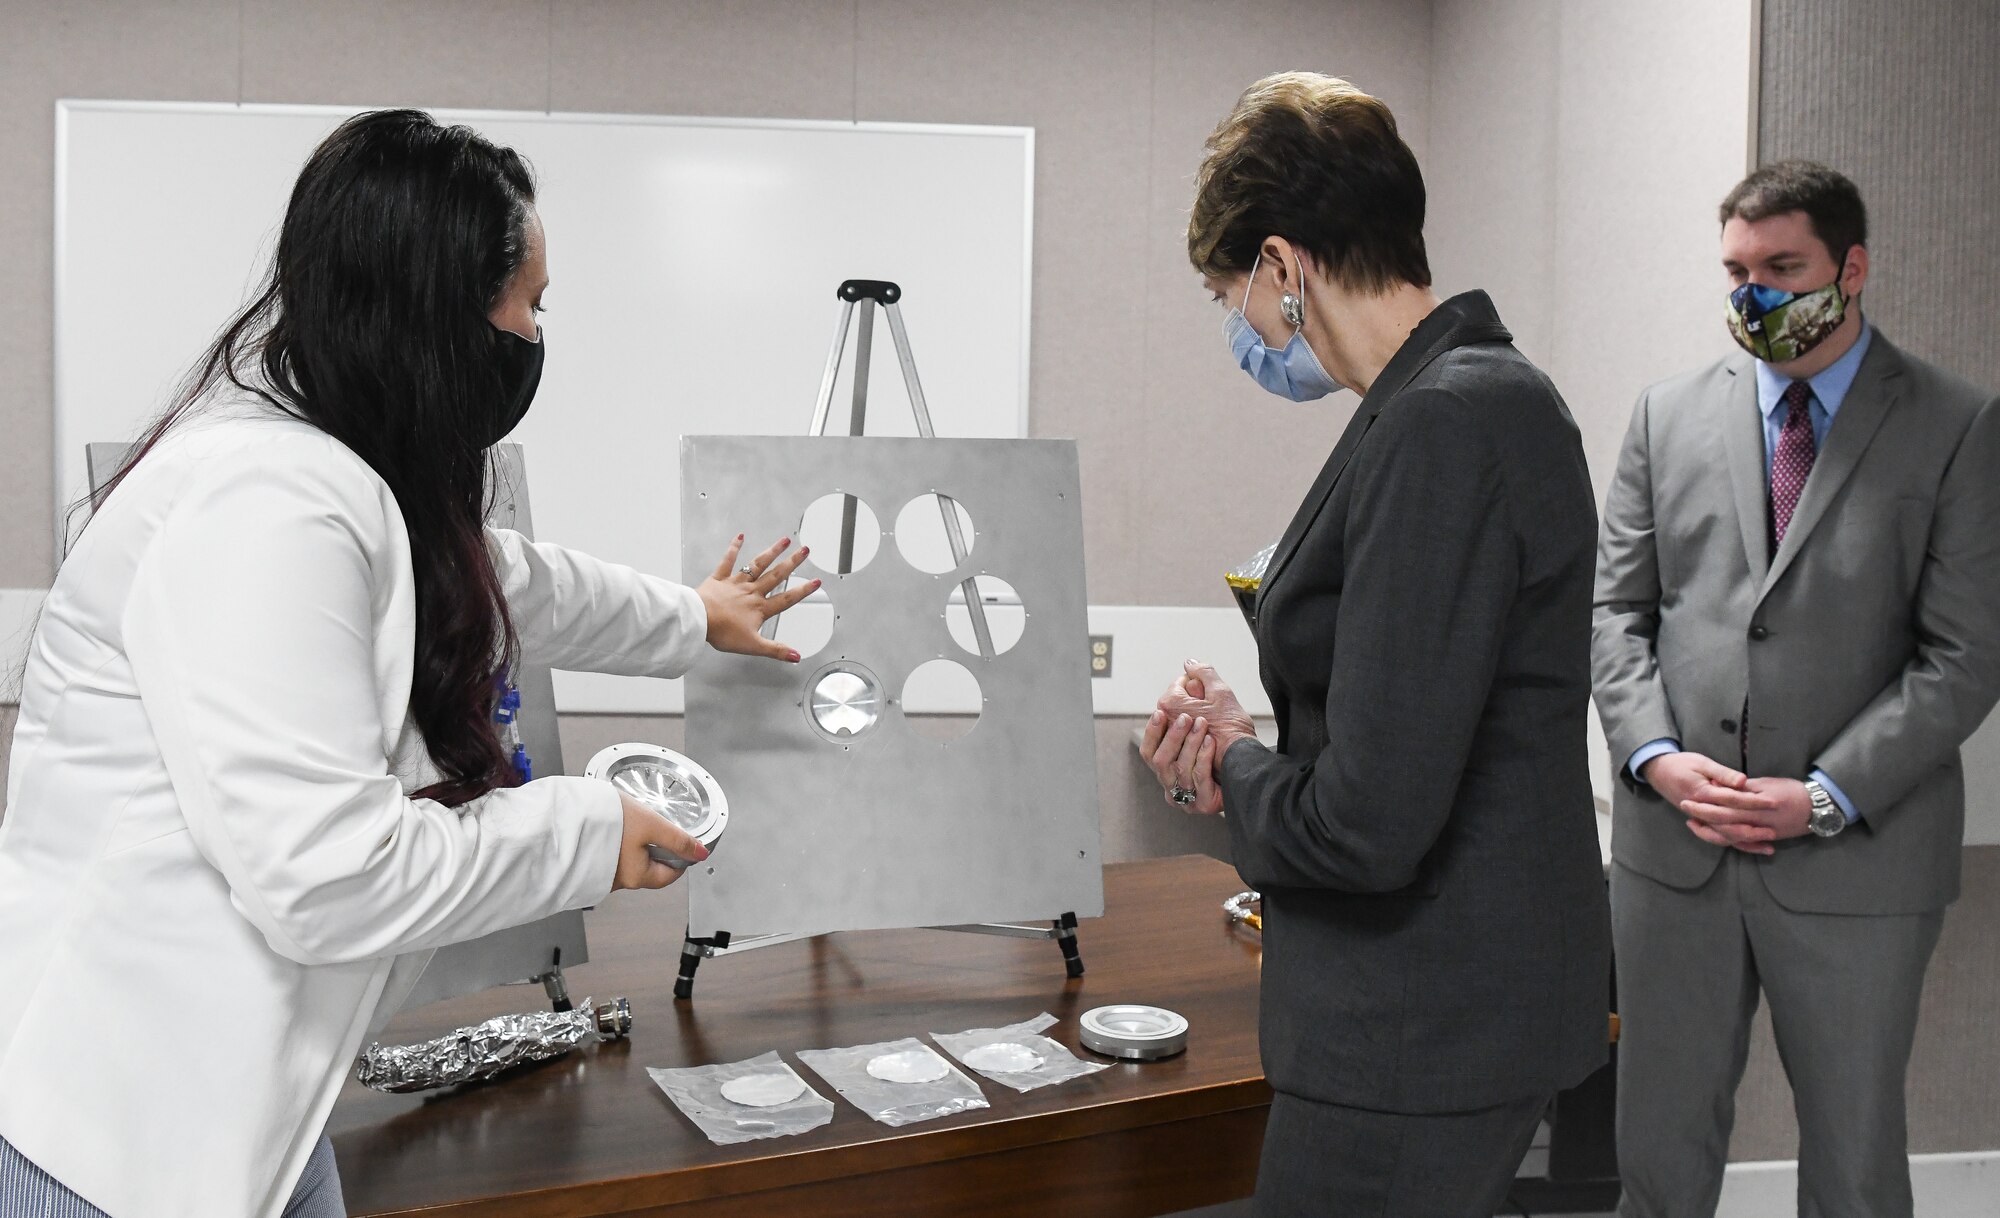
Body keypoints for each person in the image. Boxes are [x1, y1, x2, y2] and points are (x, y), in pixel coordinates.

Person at [0, 110, 818, 1218]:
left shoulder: (339, 479)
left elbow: (514, 580)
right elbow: (327, 877)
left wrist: (693, 618)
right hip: (107, 1139)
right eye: (527, 302)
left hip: (238, 1111)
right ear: (434, 313)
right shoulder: (268, 506)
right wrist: (587, 832)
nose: (534, 336)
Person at [1141, 72, 1611, 1217]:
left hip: (1414, 1027)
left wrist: (1229, 771)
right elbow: (1410, 717)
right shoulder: (1470, 397)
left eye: (1226, 295)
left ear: (1282, 266)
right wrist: (1256, 735)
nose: (1238, 329)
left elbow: (1366, 827)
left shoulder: (1442, 421)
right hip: (1450, 1010)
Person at [1594, 160, 2000, 1218]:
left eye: (1782, 268)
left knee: (1855, 1161)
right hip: (1671, 855)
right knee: (1654, 1155)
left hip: (1856, 861)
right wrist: (1654, 757)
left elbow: (1962, 655)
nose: (1754, 295)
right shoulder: (1663, 416)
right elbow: (1615, 615)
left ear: (1850, 267)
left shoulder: (1956, 425)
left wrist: (1819, 794)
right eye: (1735, 269)